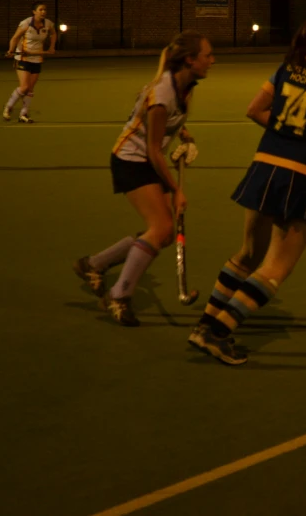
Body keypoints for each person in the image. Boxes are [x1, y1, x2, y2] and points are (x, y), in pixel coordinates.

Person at [188, 5, 306, 365]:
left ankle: (204, 324)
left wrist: (289, 132)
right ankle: (220, 333)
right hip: (304, 177)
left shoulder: (292, 64)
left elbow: (255, 110)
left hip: (265, 165)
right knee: (275, 268)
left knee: (247, 255)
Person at [73, 30, 213, 326]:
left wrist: (182, 133)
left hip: (149, 158)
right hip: (131, 160)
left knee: (162, 234)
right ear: (190, 59)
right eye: (207, 55)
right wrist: (176, 189)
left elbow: (164, 130)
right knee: (162, 227)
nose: (212, 60)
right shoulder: (162, 94)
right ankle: (118, 295)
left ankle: (93, 264)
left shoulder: (187, 86)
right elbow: (152, 149)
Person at [2, 1, 56, 123]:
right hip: (23, 58)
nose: (43, 12)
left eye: (45, 10)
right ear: (34, 12)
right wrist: (11, 50)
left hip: (37, 58)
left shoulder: (48, 24)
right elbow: (15, 38)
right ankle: (8, 107)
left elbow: (53, 34)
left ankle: (24, 114)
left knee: (30, 89)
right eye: (41, 9)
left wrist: (52, 47)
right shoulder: (26, 24)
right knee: (24, 87)